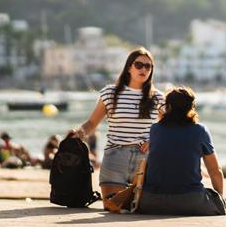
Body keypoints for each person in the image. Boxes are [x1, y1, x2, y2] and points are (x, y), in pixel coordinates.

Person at [68, 47, 161, 209]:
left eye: (148, 66)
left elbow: (169, 126)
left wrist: (156, 140)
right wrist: (79, 132)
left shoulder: (157, 97)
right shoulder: (110, 93)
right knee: (112, 206)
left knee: (141, 208)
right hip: (116, 155)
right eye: (139, 65)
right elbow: (92, 123)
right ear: (129, 67)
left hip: (145, 159)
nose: (144, 69)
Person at [136, 86, 226, 216]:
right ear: (191, 107)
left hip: (151, 201)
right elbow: (215, 171)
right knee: (220, 204)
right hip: (190, 201)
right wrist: (220, 199)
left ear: (168, 106)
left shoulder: (155, 129)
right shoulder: (200, 130)